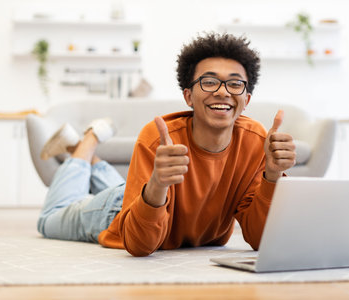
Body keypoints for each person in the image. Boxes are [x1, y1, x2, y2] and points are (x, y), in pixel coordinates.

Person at [37, 32, 296, 257]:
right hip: (121, 212)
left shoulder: (256, 142)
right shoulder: (158, 138)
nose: (223, 91)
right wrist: (158, 184)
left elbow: (261, 240)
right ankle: (89, 141)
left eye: (235, 83)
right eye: (209, 81)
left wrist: (272, 177)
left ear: (246, 99)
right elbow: (140, 245)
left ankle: (77, 147)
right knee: (49, 221)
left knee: (128, 187)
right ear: (188, 96)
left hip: (143, 197)